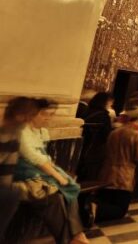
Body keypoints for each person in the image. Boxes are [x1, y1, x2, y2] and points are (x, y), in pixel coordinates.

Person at [14, 98, 89, 243]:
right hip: (22, 176)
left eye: (50, 114)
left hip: (37, 174)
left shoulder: (40, 131)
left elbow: (46, 158)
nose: (48, 118)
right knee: (55, 196)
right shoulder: (20, 131)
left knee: (70, 188)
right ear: (31, 114)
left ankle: (75, 236)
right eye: (44, 114)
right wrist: (57, 176)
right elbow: (35, 158)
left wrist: (61, 174)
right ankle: (72, 238)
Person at [91, 103, 138, 222]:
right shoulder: (137, 135)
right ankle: (92, 210)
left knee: (106, 200)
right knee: (120, 210)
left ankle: (93, 210)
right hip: (123, 176)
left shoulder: (114, 132)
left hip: (106, 173)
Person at [1, 97, 37, 238]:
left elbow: (6, 174)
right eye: (29, 118)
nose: (29, 123)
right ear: (19, 116)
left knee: (11, 193)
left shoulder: (14, 134)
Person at [77, 92, 114, 182]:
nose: (111, 105)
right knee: (90, 177)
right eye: (110, 102)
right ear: (105, 102)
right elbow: (106, 135)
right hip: (94, 151)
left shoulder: (85, 112)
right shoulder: (103, 116)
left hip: (81, 148)